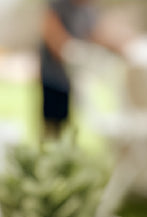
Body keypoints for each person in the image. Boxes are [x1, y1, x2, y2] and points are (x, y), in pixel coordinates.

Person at [39, 0, 129, 137]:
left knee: (72, 123)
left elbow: (95, 34)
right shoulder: (59, 5)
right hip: (54, 75)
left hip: (74, 77)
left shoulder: (87, 10)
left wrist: (116, 45)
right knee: (53, 123)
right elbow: (51, 32)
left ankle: (67, 152)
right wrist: (69, 51)